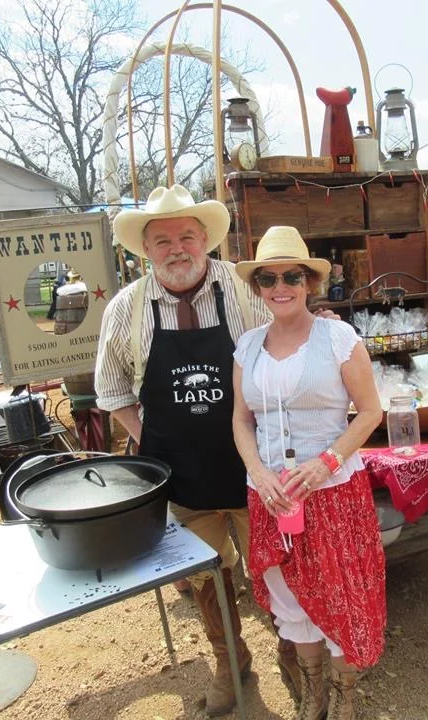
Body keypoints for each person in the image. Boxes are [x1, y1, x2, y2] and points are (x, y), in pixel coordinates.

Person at [95, 185, 298, 716]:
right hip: (182, 481)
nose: (177, 248)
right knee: (208, 578)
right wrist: (157, 447)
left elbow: (286, 356)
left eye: (187, 235)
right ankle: (230, 666)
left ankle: (293, 655)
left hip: (257, 472)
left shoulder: (248, 290)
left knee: (274, 569)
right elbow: (115, 394)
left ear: (206, 238)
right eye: (162, 240)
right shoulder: (125, 309)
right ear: (146, 249)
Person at [232, 226, 385, 720]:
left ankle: (344, 695)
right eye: (269, 278)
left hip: (333, 490)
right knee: (288, 592)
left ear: (308, 282)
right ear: (257, 286)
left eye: (292, 276)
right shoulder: (247, 346)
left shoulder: (339, 338)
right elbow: (240, 419)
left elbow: (369, 412)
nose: (281, 286)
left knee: (340, 592)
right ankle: (314, 690)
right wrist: (257, 470)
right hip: (272, 495)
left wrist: (326, 462)